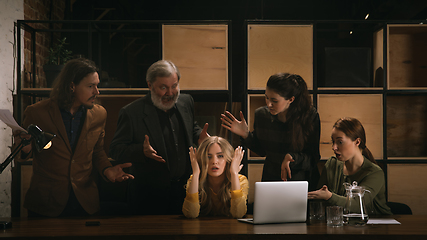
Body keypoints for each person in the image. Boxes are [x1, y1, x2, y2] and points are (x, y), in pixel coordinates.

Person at [14, 58, 134, 217]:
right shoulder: (37, 112)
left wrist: (107, 170)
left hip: (85, 202)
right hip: (46, 203)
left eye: (97, 85)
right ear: (72, 86)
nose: (96, 92)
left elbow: (97, 152)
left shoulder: (99, 114)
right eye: (91, 86)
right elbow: (25, 154)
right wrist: (24, 147)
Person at [109, 60, 209, 215]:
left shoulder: (185, 101)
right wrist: (141, 151)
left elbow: (191, 127)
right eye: (163, 87)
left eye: (174, 86)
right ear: (150, 85)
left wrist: (199, 136)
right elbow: (115, 150)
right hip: (149, 198)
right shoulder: (131, 112)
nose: (170, 92)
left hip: (186, 190)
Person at [221, 73, 320, 190]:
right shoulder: (261, 115)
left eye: (274, 101)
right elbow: (262, 150)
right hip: (271, 179)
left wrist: (292, 158)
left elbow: (313, 158)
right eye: (266, 97)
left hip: (302, 182)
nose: (268, 104)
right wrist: (246, 135)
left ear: (291, 99)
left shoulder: (309, 117)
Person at [307, 117, 392, 215]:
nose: (334, 147)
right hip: (341, 225)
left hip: (377, 225)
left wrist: (329, 196)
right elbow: (319, 201)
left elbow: (357, 204)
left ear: (357, 142)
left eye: (340, 142)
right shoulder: (332, 164)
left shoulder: (374, 173)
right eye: (333, 142)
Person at [182, 136, 248, 218]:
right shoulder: (194, 180)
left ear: (228, 159)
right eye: (208, 157)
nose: (214, 162)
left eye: (220, 156)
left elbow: (239, 214)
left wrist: (234, 174)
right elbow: (190, 214)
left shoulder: (240, 180)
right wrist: (196, 173)